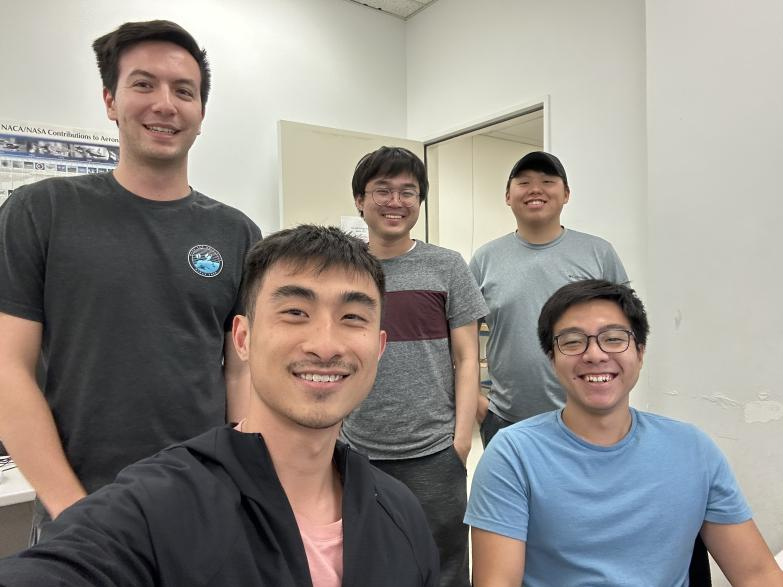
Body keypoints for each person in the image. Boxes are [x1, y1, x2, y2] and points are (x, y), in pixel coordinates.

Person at [0, 225, 439, 586]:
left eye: (353, 318)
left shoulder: (399, 511)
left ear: (379, 347)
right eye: (294, 313)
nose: (325, 345)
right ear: (243, 339)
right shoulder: (156, 507)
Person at [0, 20, 261, 541]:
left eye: (183, 91)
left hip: (202, 505)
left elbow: (240, 374)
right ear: (110, 101)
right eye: (143, 84)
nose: (165, 104)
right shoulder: (41, 211)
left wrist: (239, 482)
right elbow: (8, 368)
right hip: (77, 510)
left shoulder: (236, 233)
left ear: (201, 114)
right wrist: (75, 512)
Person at [465, 279, 783, 586]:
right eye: (573, 341)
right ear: (552, 359)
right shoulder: (513, 455)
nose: (595, 355)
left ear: (640, 352)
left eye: (614, 338)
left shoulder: (693, 450)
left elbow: (757, 575)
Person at [340, 146, 487, 587]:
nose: (395, 202)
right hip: (356, 449)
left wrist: (460, 441)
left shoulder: (446, 266)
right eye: (382, 190)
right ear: (359, 200)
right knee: (365, 560)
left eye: (408, 191)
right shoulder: (344, 268)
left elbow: (466, 359)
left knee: (442, 564)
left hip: (433, 452)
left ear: (420, 201)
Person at [470, 151, 627, 446]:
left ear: (566, 194)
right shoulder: (485, 259)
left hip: (586, 416)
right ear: (507, 196)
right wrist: (478, 402)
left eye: (547, 180)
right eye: (524, 182)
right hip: (505, 419)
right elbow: (461, 338)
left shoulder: (598, 253)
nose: (535, 189)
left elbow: (626, 331)